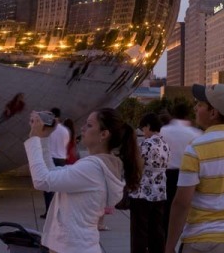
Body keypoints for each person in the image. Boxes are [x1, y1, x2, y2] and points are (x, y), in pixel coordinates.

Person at [24, 108, 142, 253]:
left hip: (72, 247)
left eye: (89, 125)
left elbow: (42, 180)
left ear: (104, 134)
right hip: (77, 245)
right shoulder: (96, 165)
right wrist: (44, 138)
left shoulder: (93, 168)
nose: (83, 128)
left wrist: (34, 138)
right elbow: (52, 174)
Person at [165, 83, 224, 253]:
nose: (195, 108)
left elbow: (182, 203)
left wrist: (169, 245)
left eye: (200, 104)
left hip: (202, 242)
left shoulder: (196, 148)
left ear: (213, 112)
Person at [159, 101, 202, 237]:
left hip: (168, 173)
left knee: (167, 209)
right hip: (188, 173)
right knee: (187, 207)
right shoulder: (196, 133)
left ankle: (166, 239)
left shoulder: (164, 130)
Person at [130, 113, 170, 253]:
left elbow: (138, 165)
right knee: (157, 230)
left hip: (143, 191)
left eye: (143, 129)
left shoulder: (146, 144)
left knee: (140, 231)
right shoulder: (165, 144)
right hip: (160, 191)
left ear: (148, 126)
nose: (143, 133)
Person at [40, 108, 70, 219]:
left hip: (50, 158)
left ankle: (49, 211)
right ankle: (60, 210)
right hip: (61, 158)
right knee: (59, 187)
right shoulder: (65, 131)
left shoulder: (48, 129)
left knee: (48, 188)